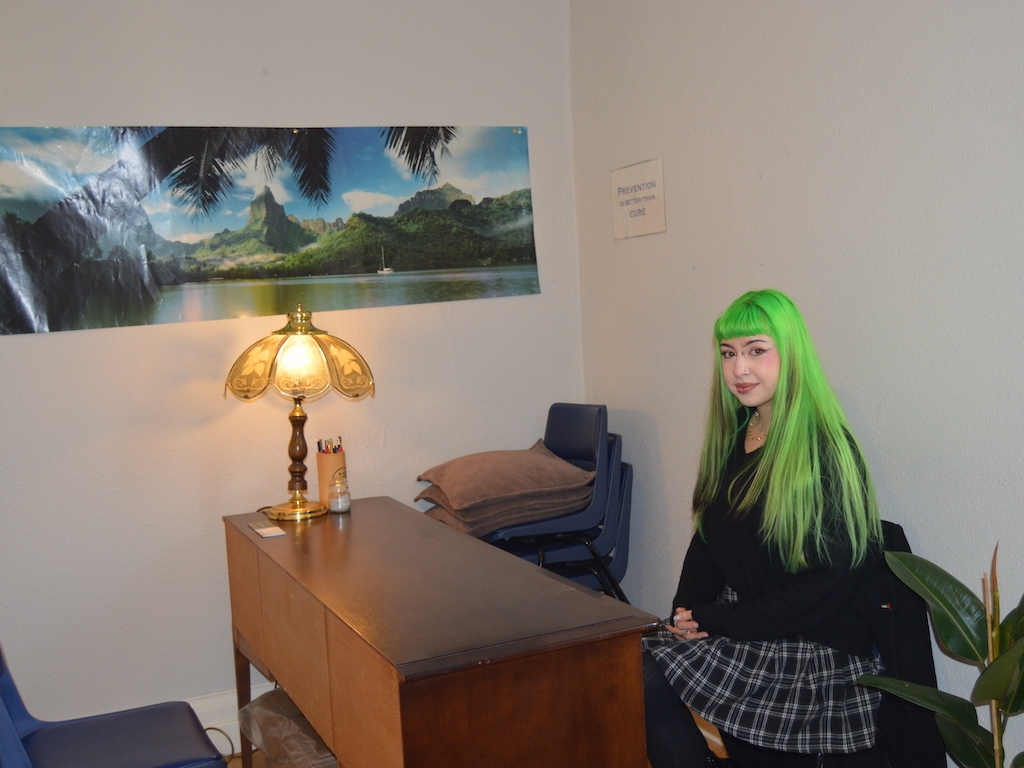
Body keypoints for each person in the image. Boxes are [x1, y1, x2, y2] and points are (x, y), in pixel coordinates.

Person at [643, 289, 886, 768]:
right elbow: (711, 539)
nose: (739, 370)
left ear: (790, 354)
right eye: (728, 354)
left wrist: (717, 621)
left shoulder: (826, 449)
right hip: (753, 622)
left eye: (756, 350)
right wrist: (685, 613)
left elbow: (825, 585)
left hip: (814, 648)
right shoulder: (740, 434)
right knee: (637, 670)